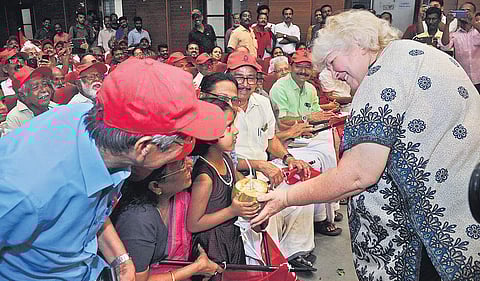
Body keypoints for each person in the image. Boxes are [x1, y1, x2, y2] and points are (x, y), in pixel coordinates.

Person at [252, 10, 480, 281]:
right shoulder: (418, 54)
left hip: (426, 237)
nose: (333, 73)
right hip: (462, 215)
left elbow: (357, 175)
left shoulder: (382, 76)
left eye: (332, 61)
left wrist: (285, 198)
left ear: (357, 43)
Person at [0, 58, 228, 280]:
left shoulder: (106, 134)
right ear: (145, 148)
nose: (187, 153)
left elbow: (92, 208)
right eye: (184, 143)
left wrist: (121, 259)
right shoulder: (23, 193)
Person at [112, 159, 223, 281]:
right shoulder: (139, 219)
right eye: (181, 166)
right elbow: (136, 279)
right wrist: (196, 268)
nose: (190, 163)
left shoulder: (177, 199)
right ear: (156, 186)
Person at [188, 97, 253, 270]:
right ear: (208, 134)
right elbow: (194, 223)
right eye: (229, 126)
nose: (236, 131)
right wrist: (232, 210)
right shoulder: (204, 177)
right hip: (213, 246)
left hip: (230, 237)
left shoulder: (225, 159)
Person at [3, 65, 57, 134]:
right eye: (35, 87)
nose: (44, 90)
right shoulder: (15, 118)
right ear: (22, 96)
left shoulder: (55, 107)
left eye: (45, 84)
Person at [441, 2, 480, 92]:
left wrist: (472, 22)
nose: (465, 13)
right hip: (463, 78)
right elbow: (445, 46)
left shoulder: (477, 31)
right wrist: (447, 23)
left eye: (468, 11)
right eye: (462, 11)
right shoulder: (455, 34)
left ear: (474, 14)